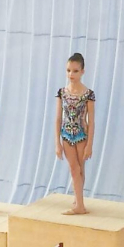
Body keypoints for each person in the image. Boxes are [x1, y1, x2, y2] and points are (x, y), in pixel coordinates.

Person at [54, 53, 95, 215]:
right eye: (68, 70)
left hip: (81, 135)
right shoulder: (62, 92)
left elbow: (91, 121)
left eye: (75, 71)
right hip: (66, 135)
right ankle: (79, 204)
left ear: (82, 72)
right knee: (74, 168)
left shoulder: (88, 94)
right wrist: (57, 143)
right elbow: (58, 119)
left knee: (80, 169)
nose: (71, 74)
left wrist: (90, 144)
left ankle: (79, 202)